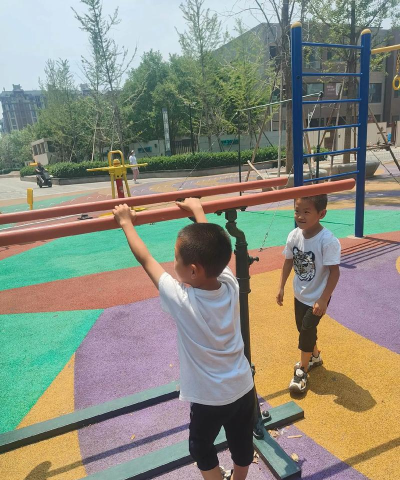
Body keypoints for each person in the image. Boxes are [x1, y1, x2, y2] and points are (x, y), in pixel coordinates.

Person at [113, 198, 255, 480]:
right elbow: (215, 250)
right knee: (242, 441)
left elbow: (146, 260)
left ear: (193, 270)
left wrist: (126, 223)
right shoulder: (229, 282)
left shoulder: (182, 299)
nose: (172, 263)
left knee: (200, 446)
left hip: (208, 398)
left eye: (176, 259)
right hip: (242, 387)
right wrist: (199, 211)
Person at [276, 194, 341, 393]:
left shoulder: (327, 241)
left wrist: (323, 299)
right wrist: (281, 286)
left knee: (306, 329)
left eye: (306, 212)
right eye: (297, 211)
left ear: (321, 214)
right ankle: (314, 356)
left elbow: (334, 272)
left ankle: (302, 371)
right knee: (302, 327)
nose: (300, 216)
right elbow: (288, 261)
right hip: (300, 293)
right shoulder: (294, 236)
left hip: (318, 296)